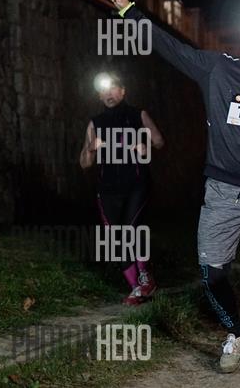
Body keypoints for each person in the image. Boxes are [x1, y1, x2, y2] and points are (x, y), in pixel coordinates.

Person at [107, 0, 240, 376]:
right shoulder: (217, 68)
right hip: (222, 190)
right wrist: (128, 10)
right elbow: (169, 47)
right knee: (211, 272)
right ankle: (236, 333)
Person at [79, 72, 163, 305]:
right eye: (103, 90)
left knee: (130, 230)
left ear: (123, 91)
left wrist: (144, 145)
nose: (108, 93)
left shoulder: (138, 115)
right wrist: (91, 148)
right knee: (117, 239)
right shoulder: (95, 123)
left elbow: (158, 141)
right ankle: (136, 288)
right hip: (107, 190)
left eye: (113, 88)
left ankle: (144, 275)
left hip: (136, 184)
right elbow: (84, 163)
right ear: (99, 95)